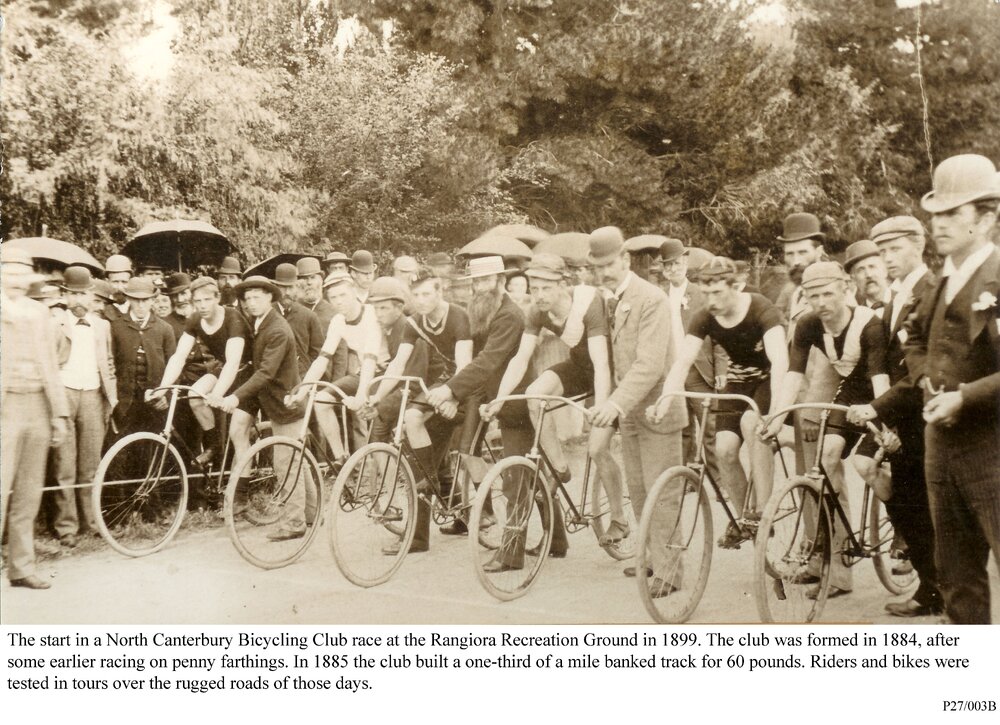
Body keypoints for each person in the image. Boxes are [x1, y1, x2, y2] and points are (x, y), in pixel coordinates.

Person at [890, 154, 1000, 624]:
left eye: (954, 213)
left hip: (992, 450)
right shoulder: (941, 282)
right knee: (955, 575)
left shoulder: (995, 278)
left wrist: (965, 397)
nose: (939, 224)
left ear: (988, 216)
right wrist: (925, 380)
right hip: (942, 448)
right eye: (935, 214)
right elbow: (912, 337)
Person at [764, 261, 891, 599]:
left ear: (846, 289)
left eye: (827, 293)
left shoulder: (869, 324)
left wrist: (883, 422)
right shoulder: (808, 324)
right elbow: (793, 375)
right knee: (826, 458)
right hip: (851, 389)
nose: (821, 302)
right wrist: (778, 416)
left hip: (884, 389)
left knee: (874, 464)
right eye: (813, 295)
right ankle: (840, 553)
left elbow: (879, 380)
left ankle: (900, 515)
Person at [484, 253, 624, 559]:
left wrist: (600, 408)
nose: (540, 295)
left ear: (563, 284)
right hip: (578, 366)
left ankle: (618, 518)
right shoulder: (537, 312)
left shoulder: (589, 303)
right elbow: (521, 359)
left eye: (546, 288)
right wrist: (500, 399)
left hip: (608, 373)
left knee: (598, 448)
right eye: (535, 288)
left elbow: (602, 364)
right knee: (535, 394)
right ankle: (560, 468)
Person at [653, 256, 786, 548]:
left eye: (718, 293)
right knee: (724, 449)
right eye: (706, 293)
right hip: (738, 380)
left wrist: (775, 412)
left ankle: (764, 513)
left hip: (768, 378)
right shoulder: (703, 316)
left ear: (735, 286)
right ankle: (743, 519)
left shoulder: (761, 307)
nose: (711, 300)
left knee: (753, 424)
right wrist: (665, 398)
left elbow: (779, 361)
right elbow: (683, 361)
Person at [583, 227, 686, 597]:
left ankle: (671, 572)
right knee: (640, 490)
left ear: (625, 259)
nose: (604, 273)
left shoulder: (651, 298)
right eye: (597, 267)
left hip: (658, 408)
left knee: (663, 491)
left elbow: (650, 365)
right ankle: (652, 559)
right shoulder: (609, 299)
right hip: (630, 411)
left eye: (609, 264)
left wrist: (612, 404)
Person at [847, 214, 941, 617]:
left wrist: (881, 409)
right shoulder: (894, 297)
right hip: (903, 419)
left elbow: (923, 370)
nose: (886, 259)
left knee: (928, 509)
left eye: (894, 249)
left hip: (928, 418)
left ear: (918, 245)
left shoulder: (931, 290)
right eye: (881, 251)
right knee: (908, 506)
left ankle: (944, 590)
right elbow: (885, 361)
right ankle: (931, 588)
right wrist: (886, 421)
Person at [422, 256, 529, 565]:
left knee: (517, 476)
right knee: (467, 451)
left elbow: (489, 360)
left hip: (515, 396)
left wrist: (452, 388)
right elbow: (472, 357)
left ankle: (512, 551)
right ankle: (486, 513)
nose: (479, 287)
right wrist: (459, 392)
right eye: (476, 281)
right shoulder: (481, 310)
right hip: (484, 392)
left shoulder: (511, 315)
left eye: (485, 281)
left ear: (500, 281)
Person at [220, 276, 311, 541]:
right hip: (277, 403)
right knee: (298, 462)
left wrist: (236, 397)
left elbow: (266, 372)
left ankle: (295, 522)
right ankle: (313, 514)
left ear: (270, 297)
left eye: (257, 297)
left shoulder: (278, 329)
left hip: (287, 405)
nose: (251, 303)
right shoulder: (260, 324)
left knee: (286, 464)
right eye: (247, 298)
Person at [1, 246, 69, 589]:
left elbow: (53, 366)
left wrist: (58, 414)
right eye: (7, 272)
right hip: (4, 409)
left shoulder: (39, 313)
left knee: (28, 491)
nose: (14, 280)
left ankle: (22, 567)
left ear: (30, 278)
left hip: (38, 407)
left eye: (20, 273)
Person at [400, 267, 474, 538]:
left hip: (470, 386)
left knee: (435, 456)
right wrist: (372, 394)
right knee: (413, 421)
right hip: (446, 384)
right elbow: (399, 360)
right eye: (415, 294)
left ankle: (480, 513)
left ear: (440, 291)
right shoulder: (415, 321)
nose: (420, 300)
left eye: (426, 294)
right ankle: (435, 490)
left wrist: (453, 395)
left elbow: (465, 365)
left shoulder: (457, 316)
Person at [150, 277, 250, 468]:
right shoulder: (195, 319)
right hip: (224, 367)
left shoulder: (232, 317)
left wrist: (216, 394)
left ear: (217, 298)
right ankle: (214, 446)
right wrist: (162, 389)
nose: (203, 305)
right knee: (194, 396)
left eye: (207, 300)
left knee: (238, 428)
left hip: (247, 369)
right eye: (198, 301)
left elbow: (234, 362)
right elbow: (179, 356)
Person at [289, 271, 386, 463]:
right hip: (366, 374)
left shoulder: (371, 314)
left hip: (385, 374)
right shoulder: (338, 321)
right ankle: (342, 457)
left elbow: (369, 359)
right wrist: (301, 392)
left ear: (353, 293)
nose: (339, 301)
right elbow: (322, 359)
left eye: (343, 295)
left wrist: (360, 396)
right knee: (321, 400)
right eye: (333, 297)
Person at [51, 267, 117, 547]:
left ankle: (91, 521)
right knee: (64, 464)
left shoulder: (102, 326)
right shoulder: (54, 323)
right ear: (65, 295)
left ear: (92, 295)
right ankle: (66, 527)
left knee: (91, 464)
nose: (79, 300)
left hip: (92, 394)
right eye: (73, 294)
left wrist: (110, 397)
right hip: (65, 393)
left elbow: (109, 362)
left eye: (83, 294)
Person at [773, 213, 841, 480]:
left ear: (820, 251)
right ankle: (814, 524)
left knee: (825, 481)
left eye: (802, 251)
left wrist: (814, 409)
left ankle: (832, 525)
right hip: (801, 399)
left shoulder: (831, 289)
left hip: (824, 401)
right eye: (790, 253)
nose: (795, 260)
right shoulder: (796, 292)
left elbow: (831, 357)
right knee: (808, 481)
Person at [660, 238, 722, 485]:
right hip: (673, 370)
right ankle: (689, 479)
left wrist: (721, 365)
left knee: (709, 426)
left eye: (677, 263)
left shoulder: (699, 294)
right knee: (683, 428)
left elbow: (718, 332)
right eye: (668, 266)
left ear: (685, 262)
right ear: (663, 270)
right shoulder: (659, 296)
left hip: (699, 369)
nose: (673, 269)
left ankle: (720, 480)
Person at [109, 277, 176, 438]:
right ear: (128, 299)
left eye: (145, 300)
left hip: (155, 401)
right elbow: (111, 365)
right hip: (125, 402)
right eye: (135, 300)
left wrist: (165, 396)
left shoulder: (165, 329)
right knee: (122, 449)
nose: (140, 305)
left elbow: (174, 366)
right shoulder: (116, 327)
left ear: (153, 300)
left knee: (153, 447)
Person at [272, 263, 324, 376]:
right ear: (275, 288)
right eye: (282, 288)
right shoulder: (268, 313)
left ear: (297, 287)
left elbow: (317, 353)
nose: (287, 293)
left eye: (290, 287)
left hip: (300, 378)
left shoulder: (309, 316)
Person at [844, 239, 892, 312]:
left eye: (872, 267)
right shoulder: (858, 317)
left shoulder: (905, 300)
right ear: (853, 280)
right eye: (860, 270)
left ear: (885, 270)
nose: (868, 275)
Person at [296, 257, 336, 330]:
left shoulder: (333, 313)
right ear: (297, 283)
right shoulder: (291, 311)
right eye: (304, 278)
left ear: (321, 280)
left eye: (313, 277)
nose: (309, 283)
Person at [103, 254, 133, 322]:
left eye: (124, 282)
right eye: (115, 282)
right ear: (107, 282)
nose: (120, 287)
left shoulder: (135, 306)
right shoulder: (102, 306)